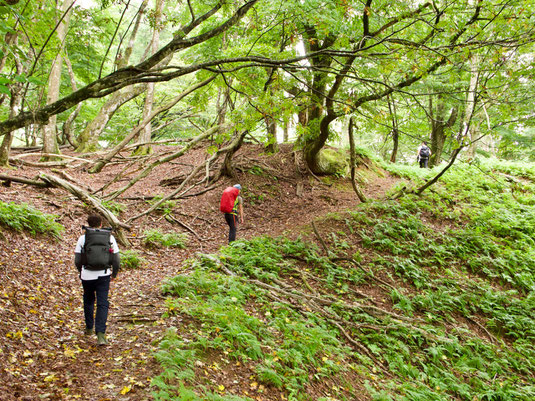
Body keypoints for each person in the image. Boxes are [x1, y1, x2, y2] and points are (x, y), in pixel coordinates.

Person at [74, 214, 120, 346]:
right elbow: (116, 259)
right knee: (102, 303)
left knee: (88, 300)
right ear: (101, 224)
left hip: (87, 275)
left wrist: (81, 271)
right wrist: (114, 273)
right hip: (104, 274)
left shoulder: (83, 238)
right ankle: (100, 334)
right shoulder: (109, 237)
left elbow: (77, 259)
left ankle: (89, 328)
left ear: (88, 224)